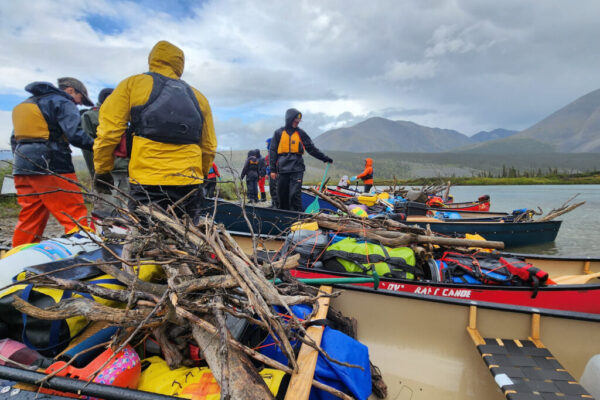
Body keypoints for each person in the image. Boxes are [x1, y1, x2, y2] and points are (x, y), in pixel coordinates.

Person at [93, 40, 217, 220]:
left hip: (148, 182)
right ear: (180, 64)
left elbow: (108, 133)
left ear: (152, 59)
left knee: (146, 241)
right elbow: (209, 146)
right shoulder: (199, 97)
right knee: (190, 240)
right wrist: (201, 175)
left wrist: (103, 169)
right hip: (189, 183)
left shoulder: (132, 85)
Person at [10, 77, 95, 246]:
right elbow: (75, 135)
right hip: (52, 164)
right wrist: (100, 146)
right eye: (80, 100)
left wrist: (24, 161)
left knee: (30, 217)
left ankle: (16, 256)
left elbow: (14, 139)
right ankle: (87, 251)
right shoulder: (62, 102)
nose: (78, 104)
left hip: (22, 166)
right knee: (74, 213)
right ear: (71, 90)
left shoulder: (28, 104)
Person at [269, 109, 332, 211]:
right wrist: (272, 169)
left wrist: (325, 158)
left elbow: (311, 148)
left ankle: (296, 216)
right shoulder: (278, 133)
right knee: (282, 194)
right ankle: (283, 215)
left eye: (298, 121)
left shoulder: (301, 133)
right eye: (295, 121)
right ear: (289, 119)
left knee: (294, 194)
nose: (297, 123)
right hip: (282, 168)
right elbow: (272, 151)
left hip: (297, 168)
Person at [80, 88, 114, 178]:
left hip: (125, 170)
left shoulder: (119, 116)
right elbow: (87, 149)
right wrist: (96, 174)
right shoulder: (90, 116)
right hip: (106, 171)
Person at [265, 138, 278, 208]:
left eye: (267, 143)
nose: (266, 145)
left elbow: (272, 163)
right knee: (272, 188)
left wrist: (269, 172)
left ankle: (276, 204)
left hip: (274, 173)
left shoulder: (273, 151)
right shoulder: (270, 151)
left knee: (274, 188)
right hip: (272, 172)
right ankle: (273, 203)